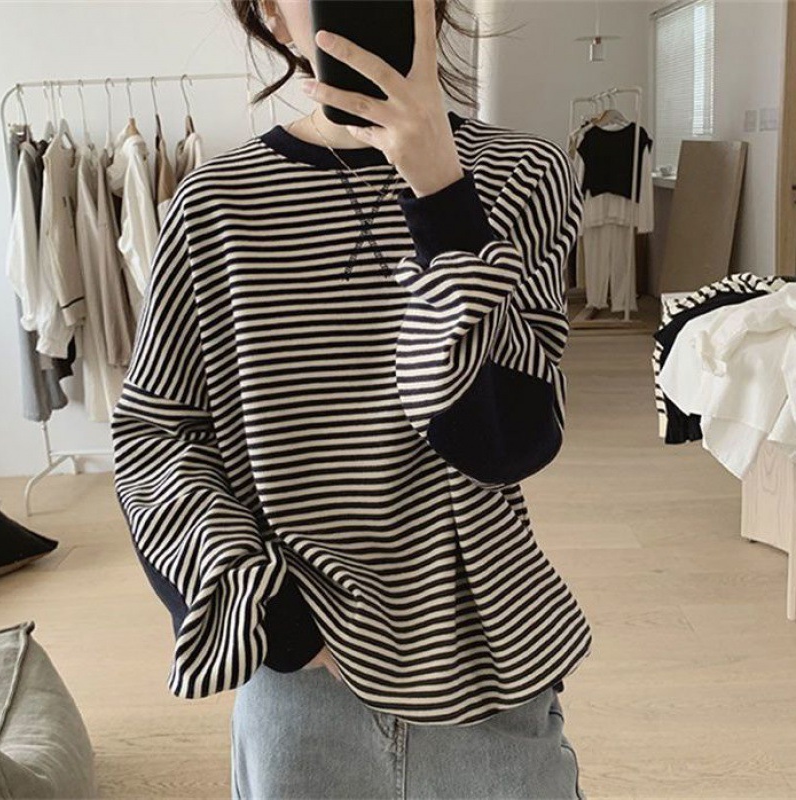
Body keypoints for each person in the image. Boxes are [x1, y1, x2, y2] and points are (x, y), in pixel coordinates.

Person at [110, 0, 594, 797]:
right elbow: (156, 436)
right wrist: (276, 620)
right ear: (272, 12)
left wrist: (442, 193)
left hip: (486, 658)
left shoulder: (524, 174)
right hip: (298, 681)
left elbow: (505, 442)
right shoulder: (213, 205)